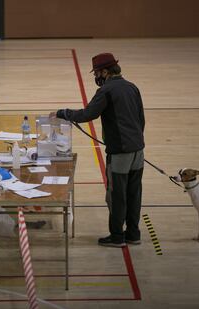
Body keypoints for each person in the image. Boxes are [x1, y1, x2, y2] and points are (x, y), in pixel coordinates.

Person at [51, 53, 145, 247]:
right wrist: (134, 141)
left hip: (119, 152)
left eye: (97, 72)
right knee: (134, 193)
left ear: (105, 71)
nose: (96, 77)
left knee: (116, 195)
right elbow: (141, 119)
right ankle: (133, 234)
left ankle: (118, 236)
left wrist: (63, 113)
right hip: (138, 150)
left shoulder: (107, 90)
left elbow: (88, 114)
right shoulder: (131, 87)